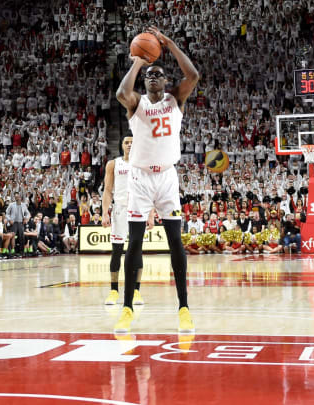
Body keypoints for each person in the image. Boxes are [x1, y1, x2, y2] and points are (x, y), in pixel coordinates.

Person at [113, 26, 199, 333]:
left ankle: (184, 307)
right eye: (148, 74)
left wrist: (169, 44)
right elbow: (121, 93)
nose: (152, 76)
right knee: (134, 242)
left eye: (157, 73)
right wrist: (139, 60)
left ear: (165, 81)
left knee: (175, 241)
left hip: (167, 178)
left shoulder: (175, 99)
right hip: (139, 179)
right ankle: (126, 308)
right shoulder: (137, 103)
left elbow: (193, 76)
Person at [101, 136, 149, 306]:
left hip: (137, 210)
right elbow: (107, 190)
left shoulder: (142, 164)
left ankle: (136, 291)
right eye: (126, 142)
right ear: (122, 145)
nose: (129, 145)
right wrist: (105, 213)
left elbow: (148, 190)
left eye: (132, 142)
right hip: (119, 209)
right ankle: (114, 291)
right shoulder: (113, 164)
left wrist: (150, 215)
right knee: (117, 250)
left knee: (137, 250)